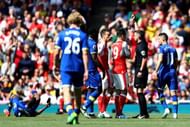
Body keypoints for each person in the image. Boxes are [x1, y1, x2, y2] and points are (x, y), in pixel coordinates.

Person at [54, 11, 88, 124]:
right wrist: (86, 70)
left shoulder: (62, 34)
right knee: (78, 92)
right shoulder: (83, 35)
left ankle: (70, 113)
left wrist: (56, 64)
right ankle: (76, 113)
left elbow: (56, 52)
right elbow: (85, 53)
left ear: (69, 21)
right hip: (78, 66)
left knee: (66, 90)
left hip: (66, 66)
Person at [152, 33, 178, 119]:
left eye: (159, 39)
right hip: (172, 71)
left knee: (159, 91)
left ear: (163, 39)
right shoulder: (174, 49)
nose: (158, 41)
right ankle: (175, 113)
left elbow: (160, 59)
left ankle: (166, 108)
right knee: (173, 92)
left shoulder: (162, 48)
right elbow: (176, 61)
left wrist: (155, 71)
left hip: (164, 72)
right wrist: (174, 70)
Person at [80, 29, 105, 118]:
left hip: (86, 69)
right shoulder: (93, 43)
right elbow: (94, 58)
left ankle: (90, 112)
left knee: (90, 89)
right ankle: (84, 106)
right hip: (92, 70)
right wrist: (102, 68)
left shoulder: (85, 42)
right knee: (99, 89)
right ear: (94, 35)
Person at [110, 29, 130, 118]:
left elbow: (111, 58)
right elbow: (128, 54)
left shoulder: (112, 45)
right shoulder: (124, 43)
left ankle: (118, 113)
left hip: (114, 69)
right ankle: (119, 113)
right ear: (122, 35)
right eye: (125, 35)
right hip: (122, 69)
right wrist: (126, 50)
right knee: (124, 90)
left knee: (117, 91)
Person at [131, 30, 149, 119]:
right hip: (138, 69)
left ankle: (143, 114)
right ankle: (143, 113)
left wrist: (141, 70)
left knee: (140, 91)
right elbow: (139, 31)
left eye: (135, 34)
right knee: (138, 92)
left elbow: (144, 58)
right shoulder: (140, 43)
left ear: (139, 36)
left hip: (141, 70)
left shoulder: (141, 45)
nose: (133, 36)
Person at [97, 28, 112, 118]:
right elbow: (97, 53)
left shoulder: (106, 45)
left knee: (108, 90)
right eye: (107, 34)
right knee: (103, 91)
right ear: (103, 36)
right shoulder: (101, 44)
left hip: (107, 70)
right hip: (101, 71)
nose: (109, 36)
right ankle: (102, 111)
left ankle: (103, 110)